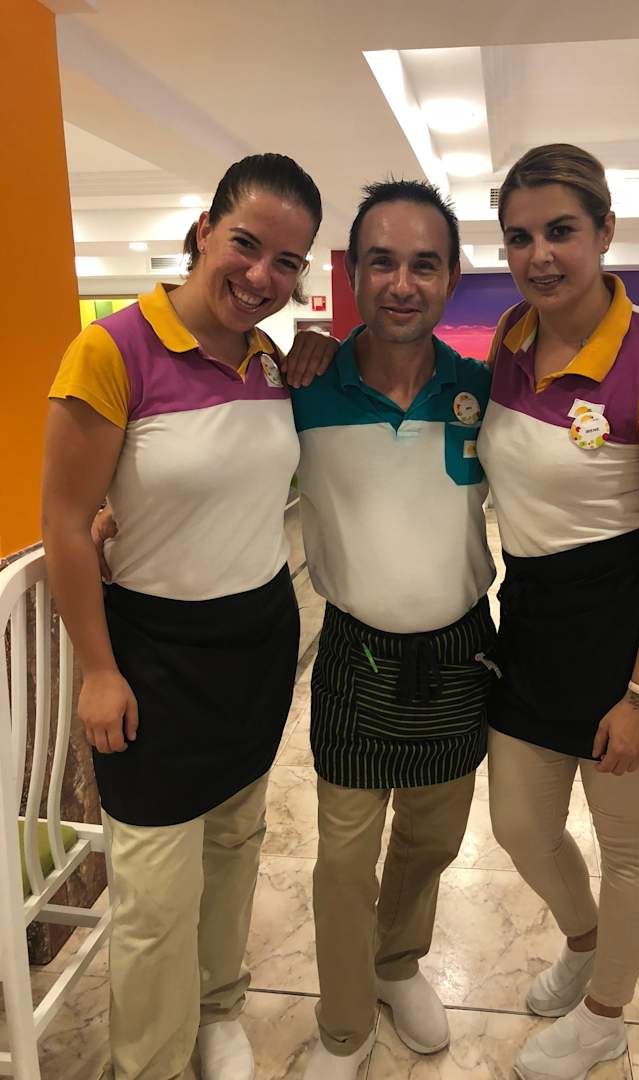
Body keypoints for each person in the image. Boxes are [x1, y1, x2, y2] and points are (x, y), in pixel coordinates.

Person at [42, 152, 324, 1080]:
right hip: (152, 655)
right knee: (155, 893)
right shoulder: (113, 349)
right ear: (202, 232)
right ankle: (150, 1063)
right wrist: (98, 669)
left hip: (257, 639)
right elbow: (66, 526)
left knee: (237, 843)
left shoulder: (270, 361)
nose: (261, 275)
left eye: (288, 262)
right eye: (246, 244)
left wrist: (318, 352)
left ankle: (218, 1008)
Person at [477, 144, 639, 1080]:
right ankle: (584, 943)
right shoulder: (509, 342)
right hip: (534, 624)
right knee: (519, 825)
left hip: (633, 633)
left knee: (627, 846)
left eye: (561, 231)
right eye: (519, 237)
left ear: (605, 230)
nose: (539, 255)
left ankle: (607, 1017)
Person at [292, 180, 497, 1079]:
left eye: (424, 264)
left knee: (432, 839)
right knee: (343, 858)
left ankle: (397, 963)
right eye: (382, 262)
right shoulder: (303, 388)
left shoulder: (481, 391)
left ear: (450, 278)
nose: (402, 284)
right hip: (356, 654)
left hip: (459, 651)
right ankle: (343, 1021)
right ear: (353, 274)